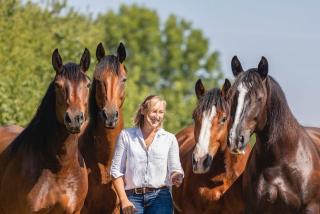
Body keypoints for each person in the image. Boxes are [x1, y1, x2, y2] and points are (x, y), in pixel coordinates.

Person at [111, 95, 184, 214]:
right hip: (132, 198)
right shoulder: (126, 136)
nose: (157, 116)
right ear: (143, 110)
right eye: (154, 111)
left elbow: (175, 168)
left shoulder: (170, 139)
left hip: (160, 198)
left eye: (161, 112)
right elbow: (115, 171)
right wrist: (124, 200)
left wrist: (176, 175)